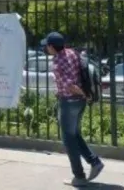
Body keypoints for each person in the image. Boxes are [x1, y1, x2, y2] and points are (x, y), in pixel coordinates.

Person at [43, 32, 104, 187]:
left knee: (68, 139)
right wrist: (85, 95)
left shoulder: (56, 62)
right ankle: (94, 162)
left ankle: (79, 176)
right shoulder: (72, 53)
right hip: (79, 102)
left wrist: (84, 94)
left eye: (47, 45)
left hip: (69, 101)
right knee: (74, 134)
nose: (46, 48)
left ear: (51, 46)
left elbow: (70, 84)